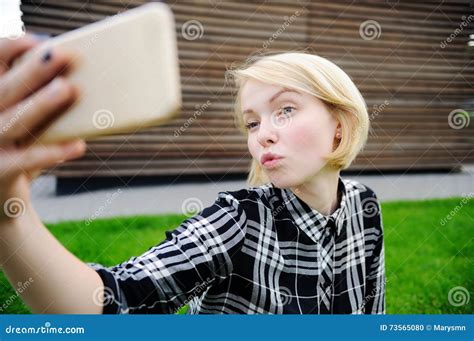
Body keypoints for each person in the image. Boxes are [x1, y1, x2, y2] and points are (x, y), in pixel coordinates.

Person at [0, 34, 385, 314]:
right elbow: (111, 303)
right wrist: (8, 217)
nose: (262, 134)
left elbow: (372, 310)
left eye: (285, 109)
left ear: (340, 125)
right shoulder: (239, 220)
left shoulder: (365, 206)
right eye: (252, 123)